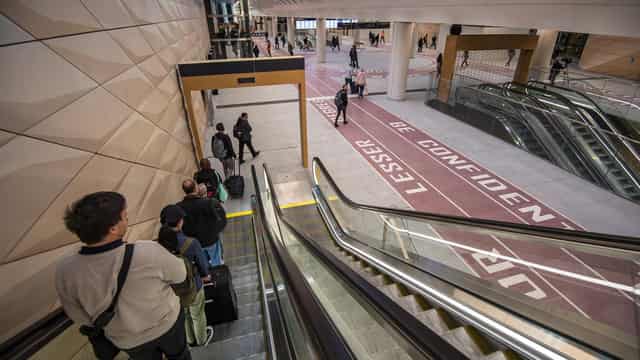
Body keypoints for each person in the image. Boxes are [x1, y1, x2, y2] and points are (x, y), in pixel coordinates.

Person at [56, 192, 191, 360]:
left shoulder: (66, 271)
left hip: (128, 340)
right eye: (124, 216)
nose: (127, 219)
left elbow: (79, 316)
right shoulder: (147, 252)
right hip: (167, 324)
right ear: (112, 228)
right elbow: (180, 275)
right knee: (179, 356)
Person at [158, 206, 213, 348]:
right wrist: (205, 275)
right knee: (197, 315)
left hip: (173, 290)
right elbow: (203, 264)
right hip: (193, 286)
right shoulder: (191, 243)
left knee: (184, 315)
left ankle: (190, 340)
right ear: (180, 222)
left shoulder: (159, 245)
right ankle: (202, 340)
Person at [177, 179, 226, 267]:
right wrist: (216, 232)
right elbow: (222, 220)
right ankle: (218, 275)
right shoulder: (209, 202)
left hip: (194, 243)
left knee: (202, 262)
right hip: (211, 240)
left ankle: (207, 276)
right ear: (196, 188)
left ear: (184, 191)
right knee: (216, 260)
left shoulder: (179, 207)